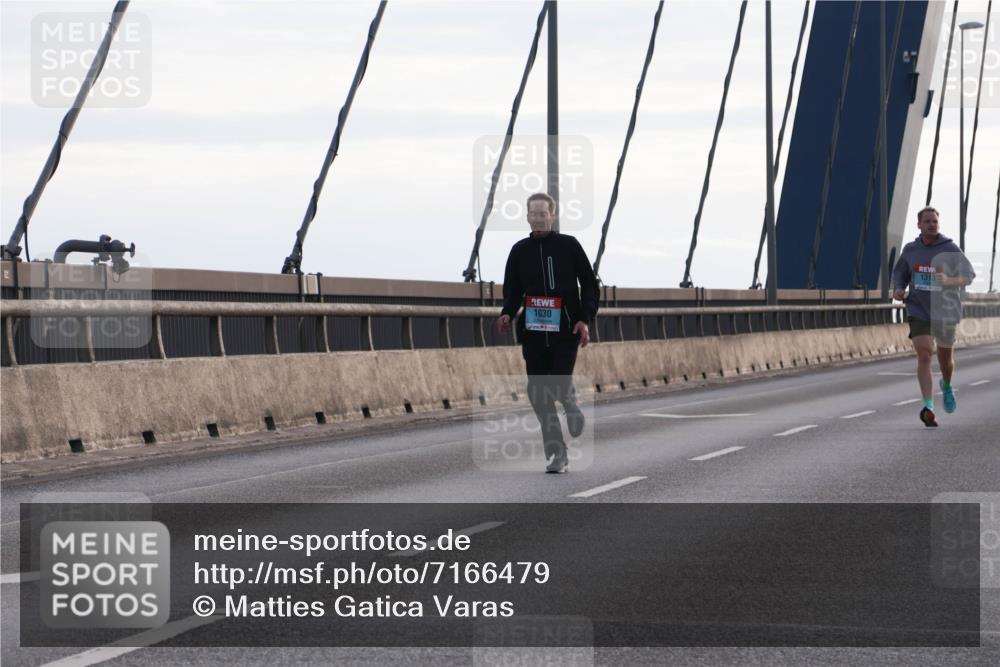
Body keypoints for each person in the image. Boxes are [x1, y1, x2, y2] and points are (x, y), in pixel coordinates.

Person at [497, 192, 600, 473]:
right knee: (538, 393)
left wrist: (584, 319)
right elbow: (513, 291)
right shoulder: (519, 251)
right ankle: (557, 454)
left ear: (552, 216)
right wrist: (507, 312)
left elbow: (590, 286)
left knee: (555, 382)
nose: (539, 219)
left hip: (566, 330)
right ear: (527, 217)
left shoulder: (568, 246)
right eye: (534, 214)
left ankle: (570, 404)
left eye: (544, 214)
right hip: (532, 333)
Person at [891, 206, 976, 427]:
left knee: (945, 360)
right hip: (918, 308)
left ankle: (946, 385)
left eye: (934, 221)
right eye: (927, 221)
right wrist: (898, 289)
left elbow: (969, 276)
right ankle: (928, 406)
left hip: (945, 310)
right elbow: (900, 273)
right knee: (925, 354)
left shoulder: (950, 248)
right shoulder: (911, 250)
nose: (931, 224)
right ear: (918, 225)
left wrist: (948, 281)